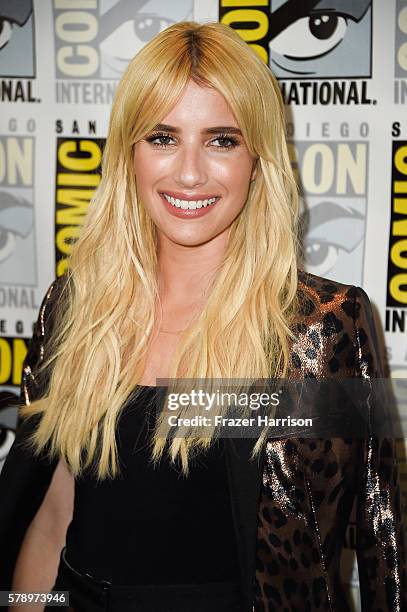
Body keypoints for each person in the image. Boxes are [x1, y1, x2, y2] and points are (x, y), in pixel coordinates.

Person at [0, 20, 406, 612]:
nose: (189, 173)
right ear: (128, 155)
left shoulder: (321, 326)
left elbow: (382, 537)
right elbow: (54, 516)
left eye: (221, 139)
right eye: (162, 137)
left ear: (257, 158)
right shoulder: (75, 308)